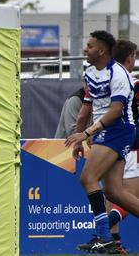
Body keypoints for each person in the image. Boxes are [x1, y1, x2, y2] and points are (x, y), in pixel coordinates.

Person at [65, 31, 139, 253]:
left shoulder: (119, 74)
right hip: (102, 132)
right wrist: (79, 138)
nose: (85, 49)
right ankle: (105, 237)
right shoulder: (89, 73)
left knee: (88, 178)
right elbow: (85, 110)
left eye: (89, 45)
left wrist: (86, 134)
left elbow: (116, 111)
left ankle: (104, 238)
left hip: (119, 130)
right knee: (114, 192)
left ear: (102, 50)